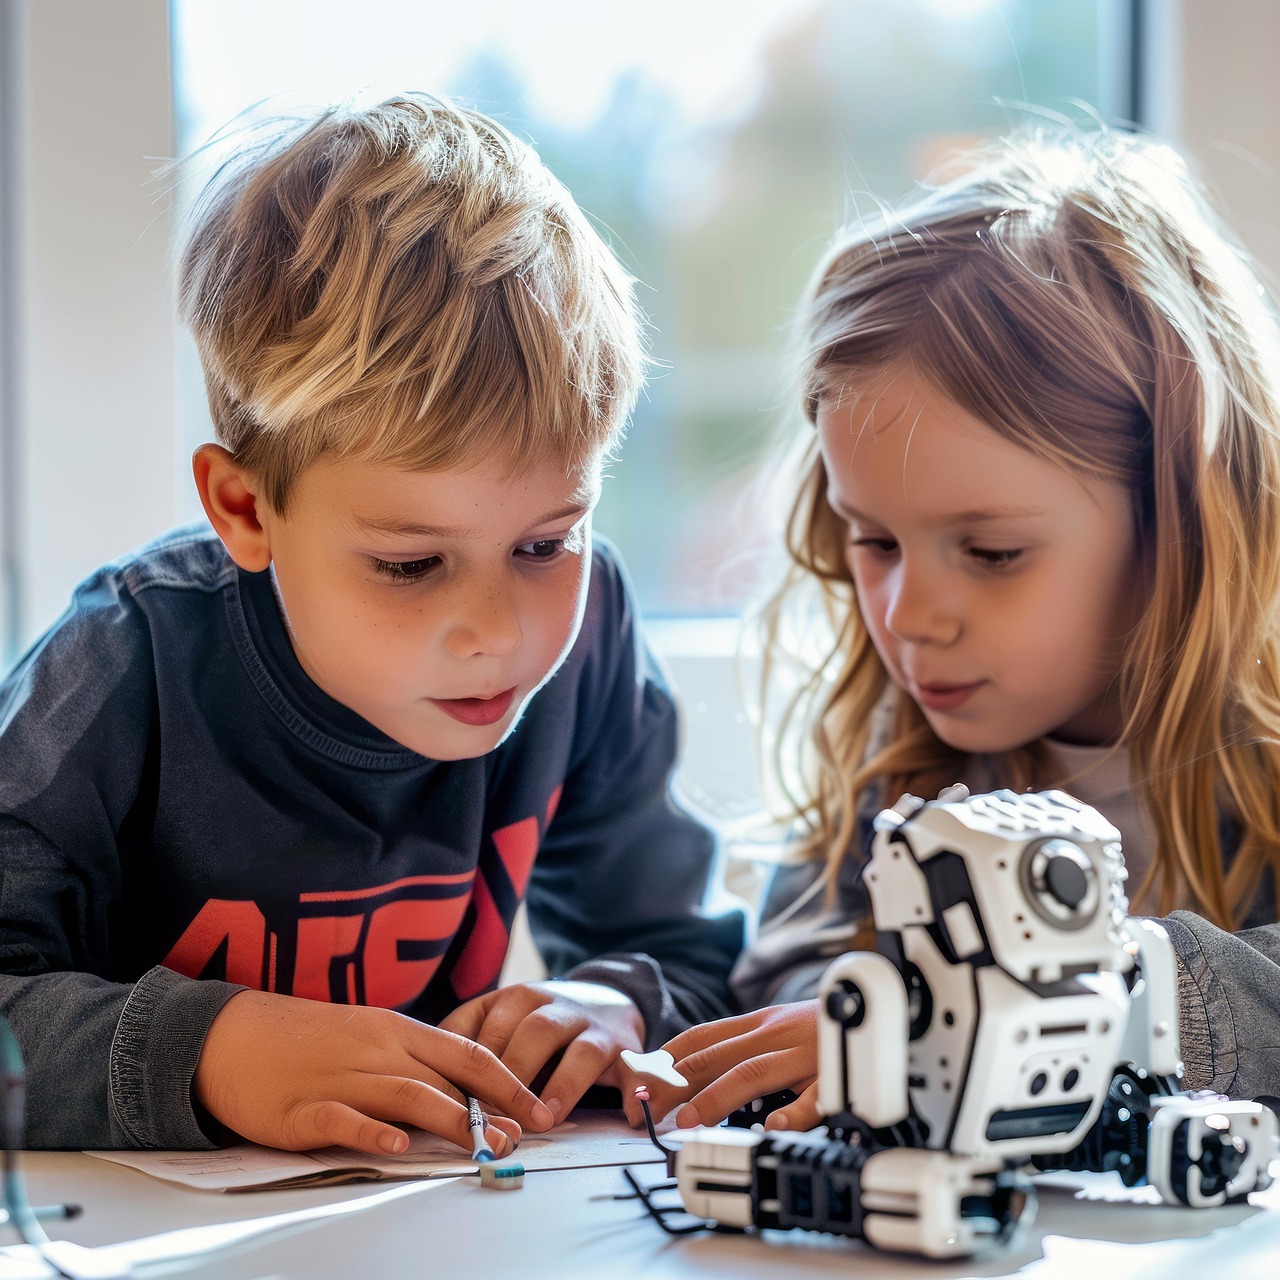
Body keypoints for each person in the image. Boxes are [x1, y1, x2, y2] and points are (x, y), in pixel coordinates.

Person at [0, 94, 742, 1155]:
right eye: (409, 564)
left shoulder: (590, 638)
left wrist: (615, 1002)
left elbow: (686, 954)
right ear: (245, 510)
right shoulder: (126, 660)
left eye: (545, 543)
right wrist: (208, 1051)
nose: (495, 631)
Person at [638, 125, 1280, 1133]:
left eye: (990, 552)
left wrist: (1060, 1010)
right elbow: (791, 967)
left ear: (1180, 520)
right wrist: (852, 1015)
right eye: (874, 540)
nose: (906, 614)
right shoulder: (896, 754)